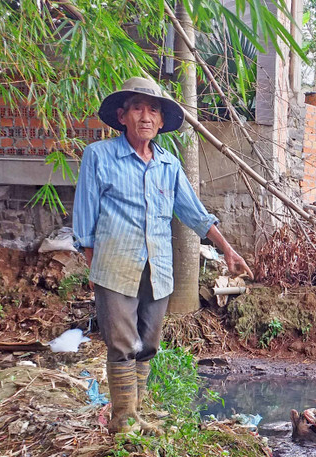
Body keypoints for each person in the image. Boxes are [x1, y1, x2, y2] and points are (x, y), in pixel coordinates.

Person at [73, 77, 252, 434]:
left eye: (153, 110)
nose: (146, 116)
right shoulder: (99, 156)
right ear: (122, 116)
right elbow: (84, 218)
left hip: (158, 269)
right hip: (114, 266)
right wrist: (94, 264)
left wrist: (227, 249)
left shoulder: (168, 165)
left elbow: (194, 213)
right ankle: (123, 422)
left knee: (148, 343)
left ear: (160, 120)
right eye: (138, 108)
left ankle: (136, 414)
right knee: (122, 344)